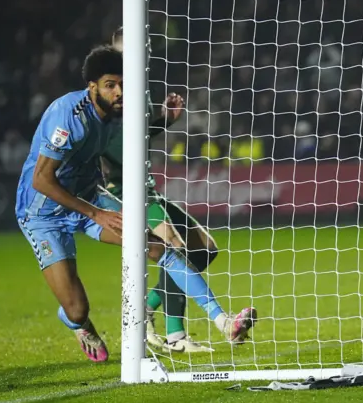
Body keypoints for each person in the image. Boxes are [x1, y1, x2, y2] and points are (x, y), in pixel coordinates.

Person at [15, 45, 257, 362]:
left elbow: (135, 136)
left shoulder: (118, 114)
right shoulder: (67, 116)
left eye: (123, 84)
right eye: (110, 85)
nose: (119, 92)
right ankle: (77, 323)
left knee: (159, 248)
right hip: (43, 213)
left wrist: (165, 121)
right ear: (92, 88)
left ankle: (223, 322)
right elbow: (41, 180)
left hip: (88, 200)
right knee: (77, 309)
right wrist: (97, 213)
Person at [99, 27, 228, 353]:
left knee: (204, 250)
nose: (140, 52)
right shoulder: (107, 91)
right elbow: (99, 140)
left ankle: (145, 311)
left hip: (147, 186)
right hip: (122, 188)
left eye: (144, 46)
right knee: (173, 247)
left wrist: (164, 120)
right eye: (130, 48)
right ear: (114, 51)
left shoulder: (139, 89)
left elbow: (136, 137)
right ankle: (190, 332)